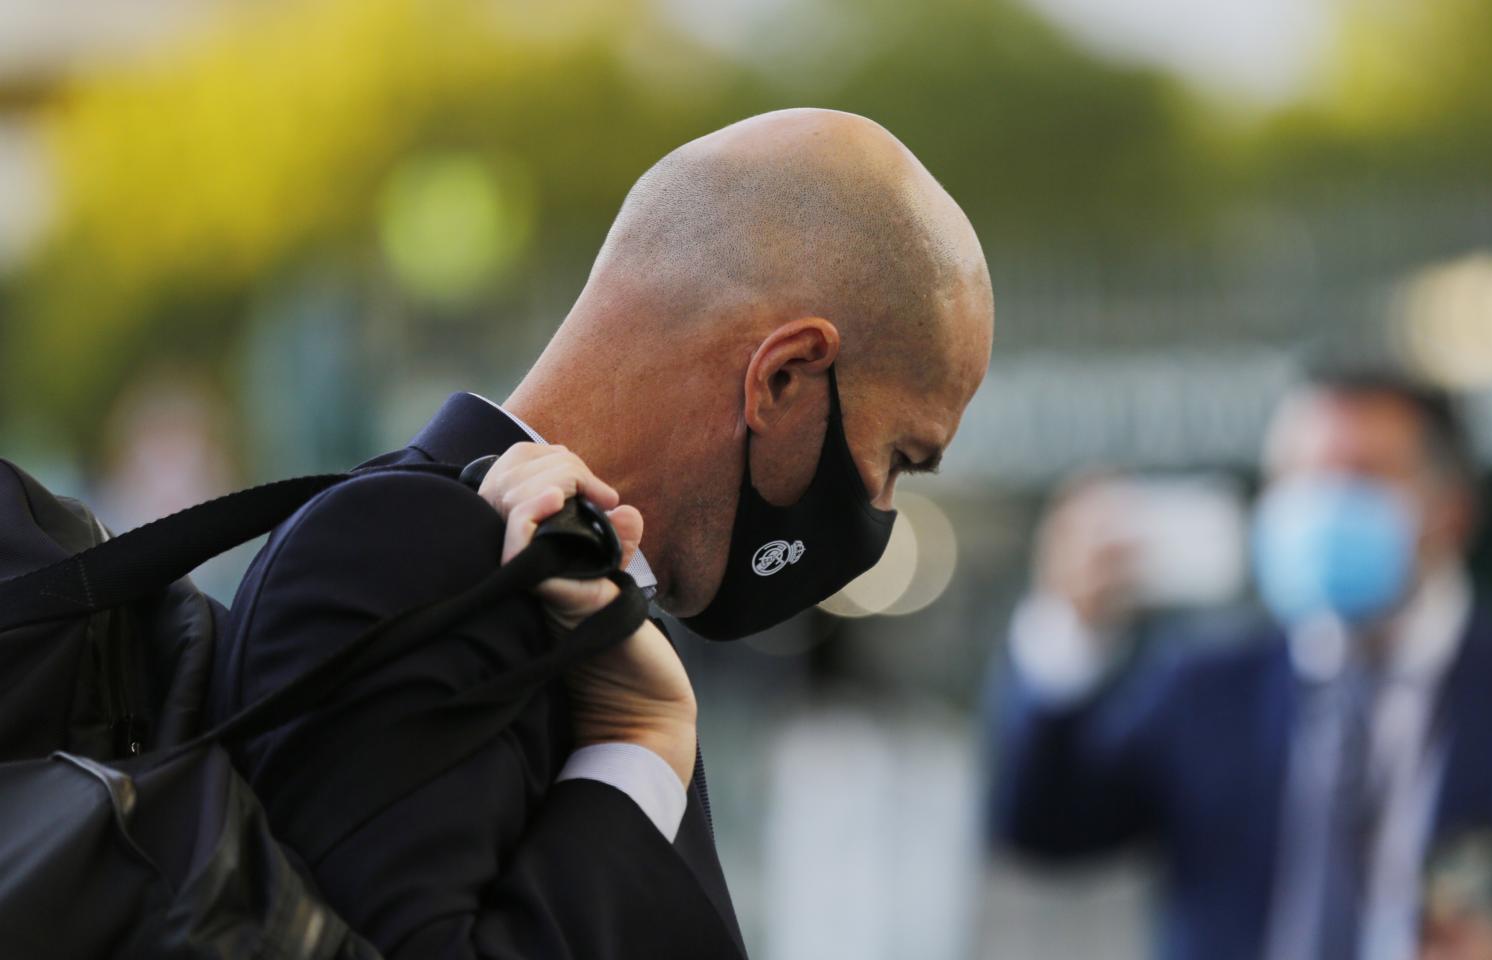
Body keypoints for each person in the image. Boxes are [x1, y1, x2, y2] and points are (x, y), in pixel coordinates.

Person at [208, 108, 993, 958]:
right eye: (900, 459)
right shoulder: (406, 554)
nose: (879, 506)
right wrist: (639, 747)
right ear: (783, 378)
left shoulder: (570, 597)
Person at [989, 369, 1492, 960]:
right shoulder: (1204, 686)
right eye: (1296, 476)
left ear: (1450, 509)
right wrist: (1068, 631)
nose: (1319, 505)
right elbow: (1041, 823)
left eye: (1359, 476)